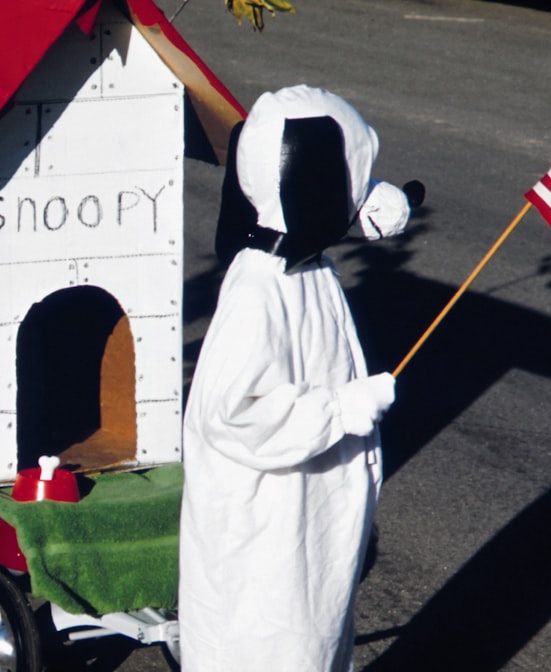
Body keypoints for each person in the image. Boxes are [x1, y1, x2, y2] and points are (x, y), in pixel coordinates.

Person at [178, 85, 420, 672]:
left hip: (308, 524)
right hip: (267, 540)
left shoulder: (309, 268)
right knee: (275, 650)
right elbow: (232, 412)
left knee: (316, 638)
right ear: (314, 177)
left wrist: (370, 207)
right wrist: (340, 409)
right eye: (351, 179)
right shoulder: (260, 292)